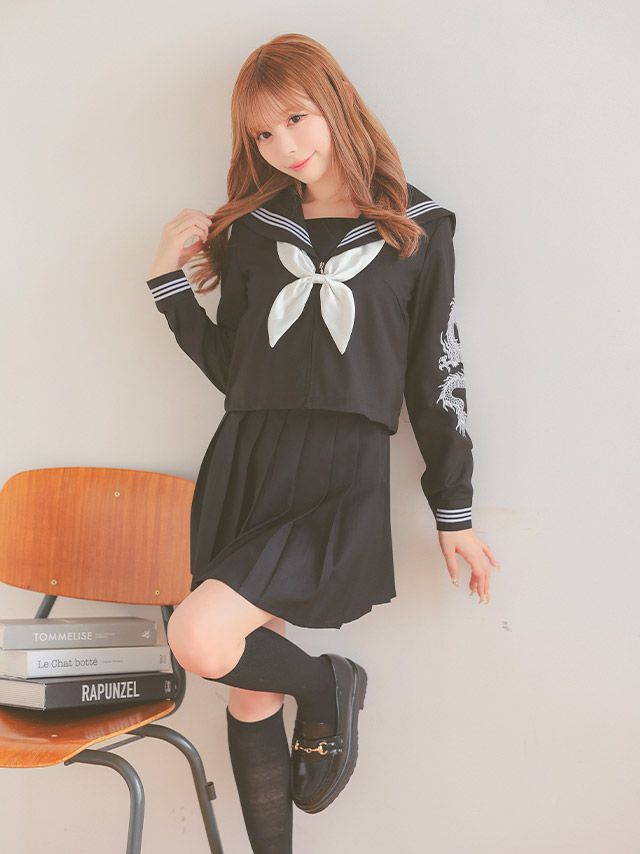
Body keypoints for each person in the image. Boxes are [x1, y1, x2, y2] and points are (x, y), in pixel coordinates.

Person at [145, 32, 500, 854]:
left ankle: (329, 684)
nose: (284, 145)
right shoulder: (252, 227)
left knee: (198, 638)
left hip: (339, 472)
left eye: (296, 119)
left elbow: (436, 374)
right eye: (263, 133)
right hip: (248, 459)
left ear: (335, 103)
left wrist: (454, 510)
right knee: (247, 691)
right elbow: (237, 372)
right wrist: (169, 284)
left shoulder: (417, 228)